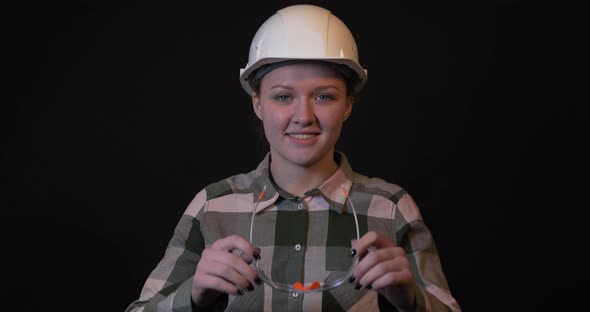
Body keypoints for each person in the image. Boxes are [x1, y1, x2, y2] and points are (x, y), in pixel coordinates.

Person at [126, 4, 461, 311]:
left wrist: (412, 301)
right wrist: (194, 295)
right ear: (258, 103)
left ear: (348, 105)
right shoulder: (213, 206)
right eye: (283, 96)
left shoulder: (390, 208)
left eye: (324, 96)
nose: (304, 116)